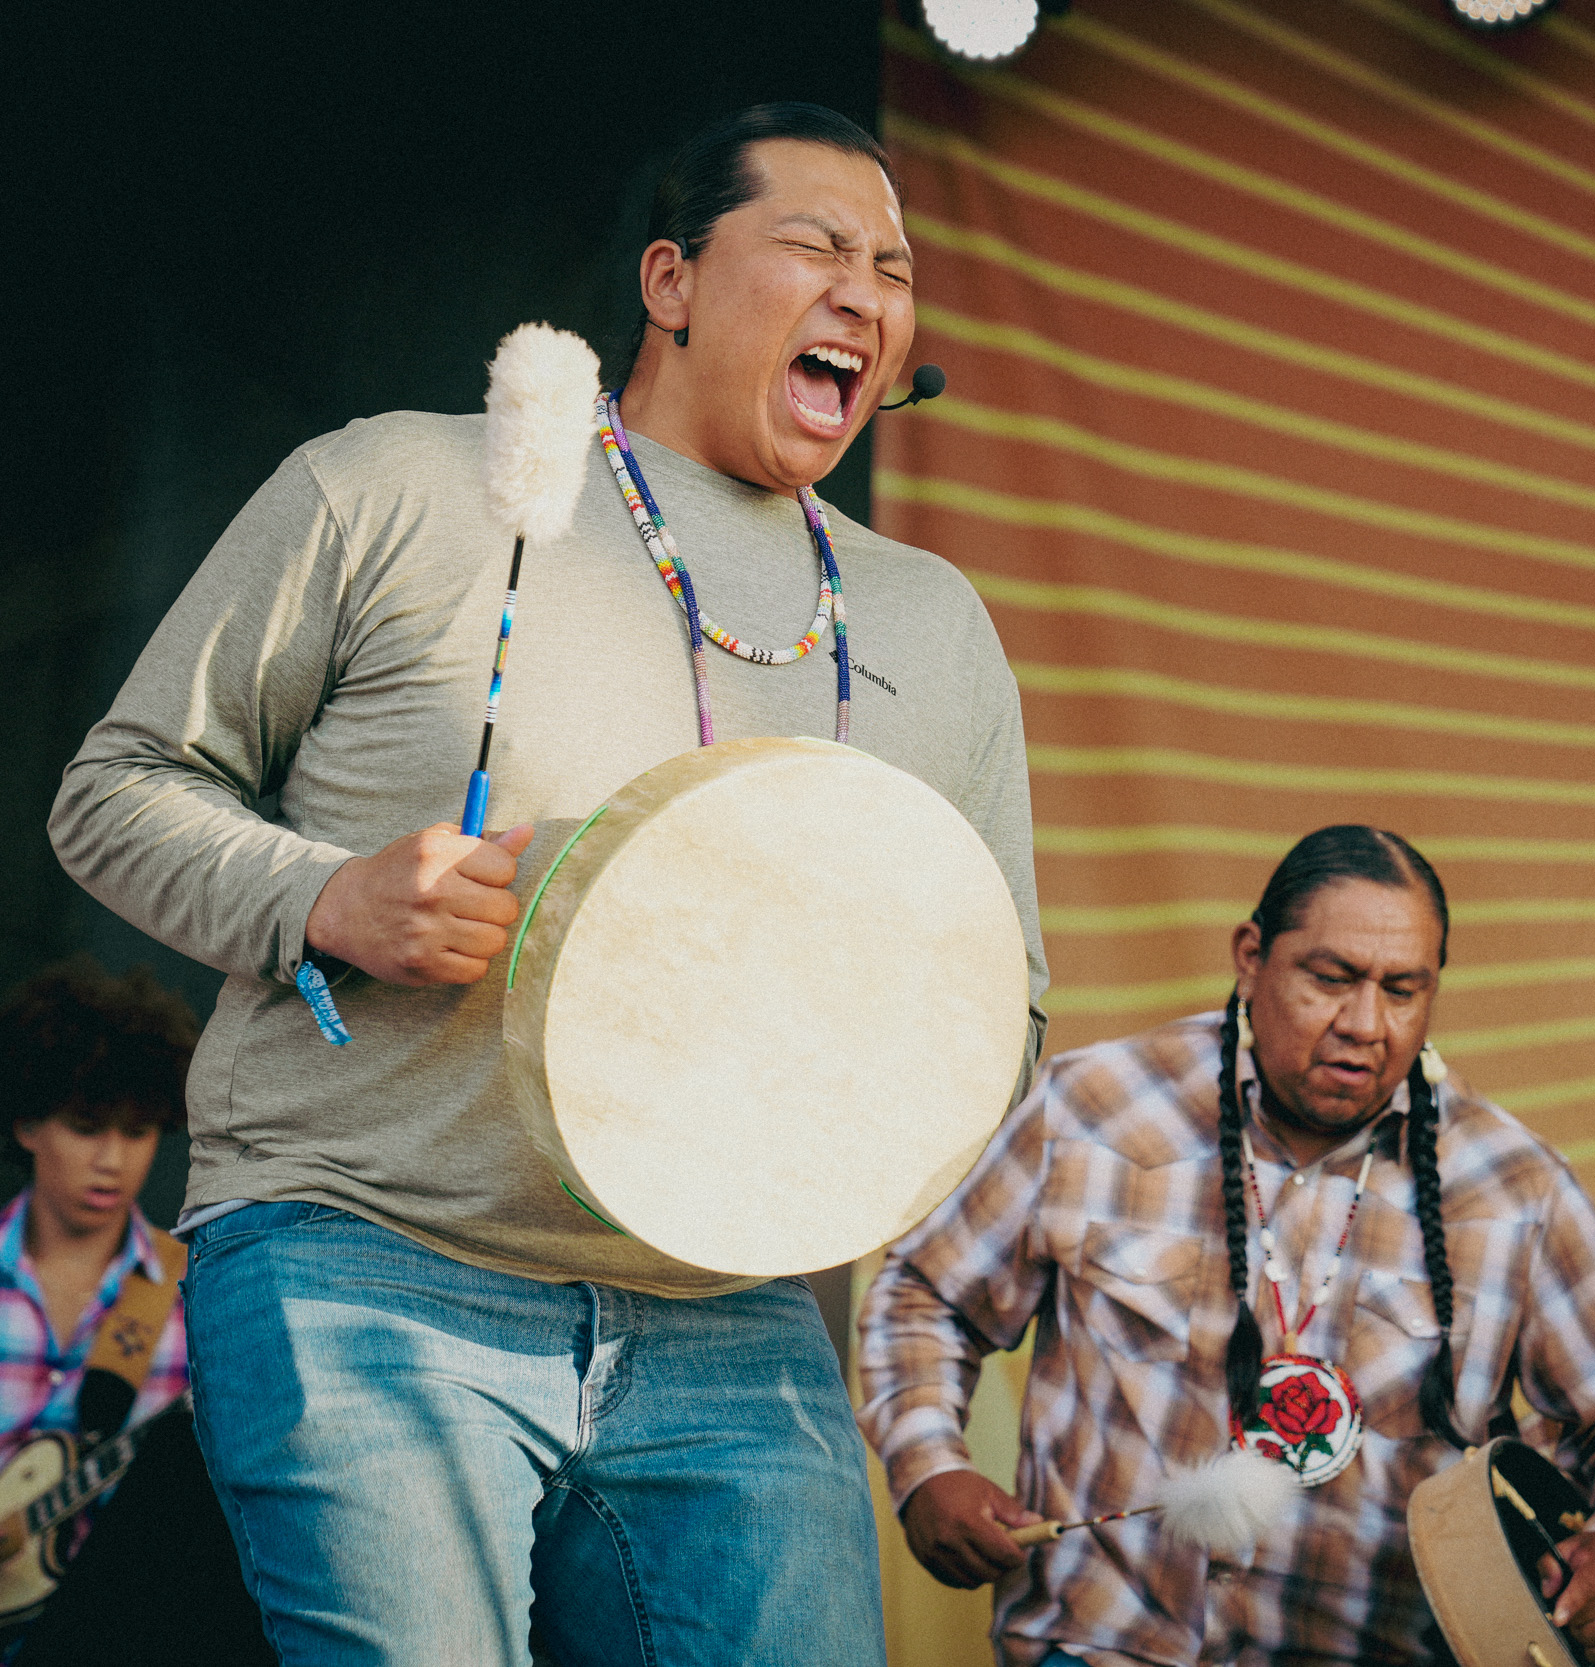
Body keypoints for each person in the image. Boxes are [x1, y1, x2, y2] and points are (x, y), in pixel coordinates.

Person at [48, 102, 1048, 1666]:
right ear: (670, 279)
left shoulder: (934, 622)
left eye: (896, 267)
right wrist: (327, 894)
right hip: (367, 1249)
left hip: (736, 1317)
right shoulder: (394, 488)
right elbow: (111, 792)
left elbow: (1007, 1002)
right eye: (816, 245)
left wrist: (870, 1056)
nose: (867, 290)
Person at [857, 826, 1595, 1667]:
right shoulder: (1094, 1109)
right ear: (1251, 955)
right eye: (1331, 977)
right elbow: (925, 1292)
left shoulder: (1513, 1189)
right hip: (1102, 1642)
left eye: (1402, 989)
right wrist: (928, 1462)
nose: (1364, 1022)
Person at [0, 958, 270, 1665]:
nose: (113, 1160)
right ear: (28, 1122)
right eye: (87, 1126)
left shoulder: (194, 1293)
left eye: (140, 1130)